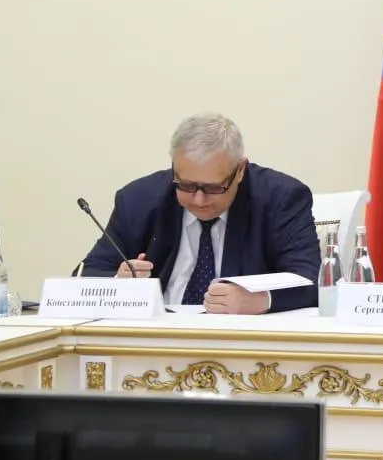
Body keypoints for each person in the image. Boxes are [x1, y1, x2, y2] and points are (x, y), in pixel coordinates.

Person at [79, 113, 318, 313]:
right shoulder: (138, 200)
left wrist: (261, 299)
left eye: (214, 188)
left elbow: (312, 279)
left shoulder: (281, 199)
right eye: (186, 185)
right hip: (156, 336)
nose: (199, 199)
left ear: (240, 171)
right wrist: (117, 284)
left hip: (241, 341)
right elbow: (86, 274)